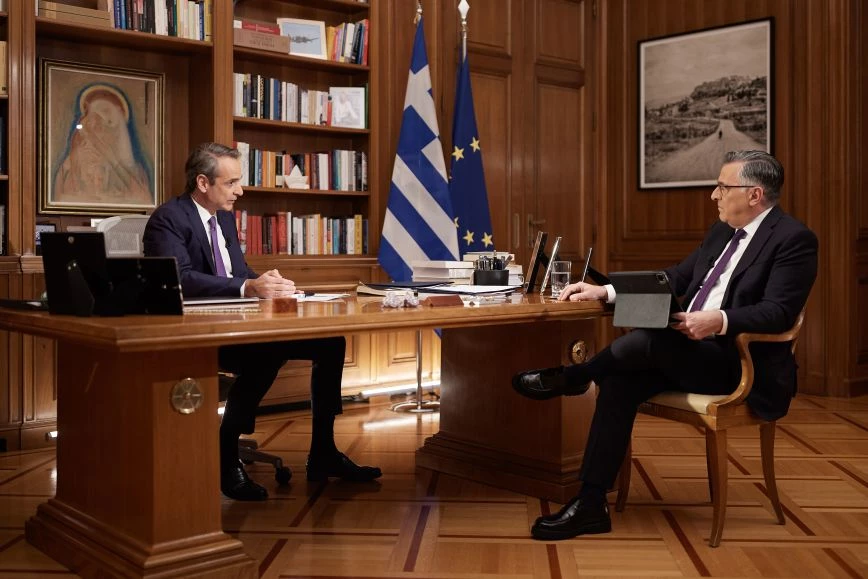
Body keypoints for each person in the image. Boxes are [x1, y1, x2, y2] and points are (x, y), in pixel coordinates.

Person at [512, 150, 817, 540]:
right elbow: (675, 277)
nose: (714, 195)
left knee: (650, 340)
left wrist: (718, 319)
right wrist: (604, 291)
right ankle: (590, 503)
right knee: (619, 382)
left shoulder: (793, 240)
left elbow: (778, 311)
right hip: (687, 351)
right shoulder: (722, 231)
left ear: (754, 194)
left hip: (738, 364)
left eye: (722, 187)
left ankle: (577, 376)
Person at [143, 142, 381, 501]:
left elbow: (237, 273)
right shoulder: (169, 219)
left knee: (331, 343)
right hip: (196, 333)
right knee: (266, 353)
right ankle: (226, 453)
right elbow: (179, 278)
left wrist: (268, 283)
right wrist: (248, 287)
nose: (240, 191)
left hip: (241, 324)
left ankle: (324, 452)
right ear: (203, 183)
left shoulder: (223, 217)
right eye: (231, 183)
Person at [54, 84, 152, 206]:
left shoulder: (137, 171)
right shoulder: (70, 165)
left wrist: (111, 159)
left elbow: (144, 200)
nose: (97, 127)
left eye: (105, 116)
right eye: (92, 118)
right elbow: (61, 199)